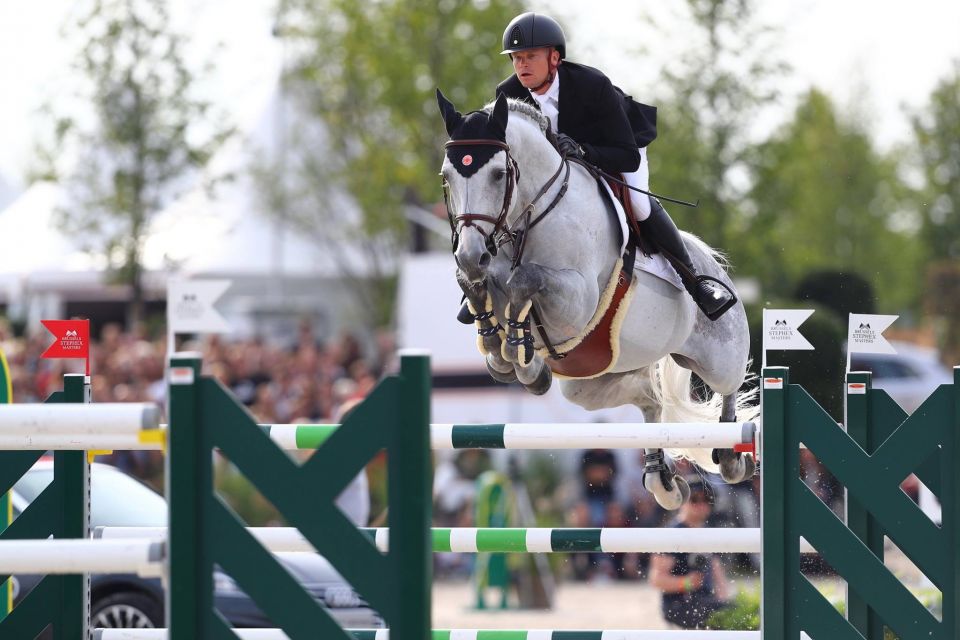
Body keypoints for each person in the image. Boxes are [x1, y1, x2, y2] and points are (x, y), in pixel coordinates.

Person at [488, 12, 736, 321]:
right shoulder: (508, 94)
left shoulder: (592, 85)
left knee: (640, 205)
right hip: (559, 167)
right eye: (516, 58)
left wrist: (582, 150)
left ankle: (697, 283)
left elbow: (626, 156)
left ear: (554, 58)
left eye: (530, 56)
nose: (522, 65)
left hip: (616, 146)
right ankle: (488, 278)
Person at [648, 476, 731, 629]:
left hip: (706, 600)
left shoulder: (709, 532)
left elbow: (718, 575)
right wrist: (685, 583)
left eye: (707, 500)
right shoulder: (672, 533)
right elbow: (656, 579)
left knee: (734, 613)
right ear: (682, 502)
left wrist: (724, 602)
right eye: (695, 499)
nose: (701, 505)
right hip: (678, 604)